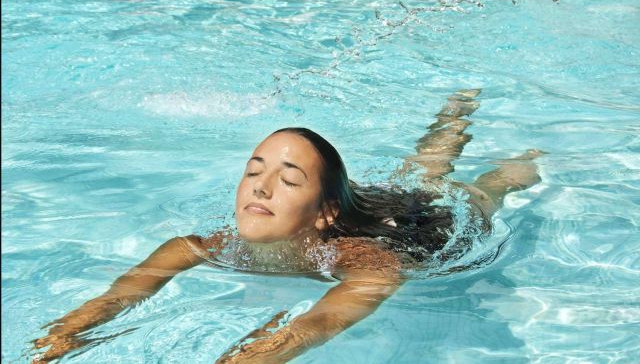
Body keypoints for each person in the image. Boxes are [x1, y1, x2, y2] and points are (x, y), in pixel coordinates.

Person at [33, 89, 543, 363]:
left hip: (422, 225)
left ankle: (526, 154)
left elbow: (312, 327)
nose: (260, 188)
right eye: (253, 172)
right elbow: (117, 298)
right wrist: (57, 342)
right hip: (357, 208)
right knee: (418, 171)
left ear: (323, 212)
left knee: (466, 189)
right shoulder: (196, 247)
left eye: (289, 179)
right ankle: (454, 113)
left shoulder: (371, 265)